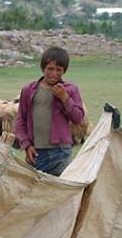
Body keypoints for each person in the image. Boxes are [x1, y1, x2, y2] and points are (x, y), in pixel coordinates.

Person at [14, 46, 85, 176]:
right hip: (35, 153)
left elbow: (78, 118)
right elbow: (20, 121)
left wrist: (65, 98)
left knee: (63, 192)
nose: (54, 74)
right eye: (50, 69)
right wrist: (26, 145)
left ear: (64, 71)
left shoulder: (70, 89)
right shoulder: (29, 90)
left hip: (61, 153)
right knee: (33, 192)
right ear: (43, 68)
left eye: (59, 70)